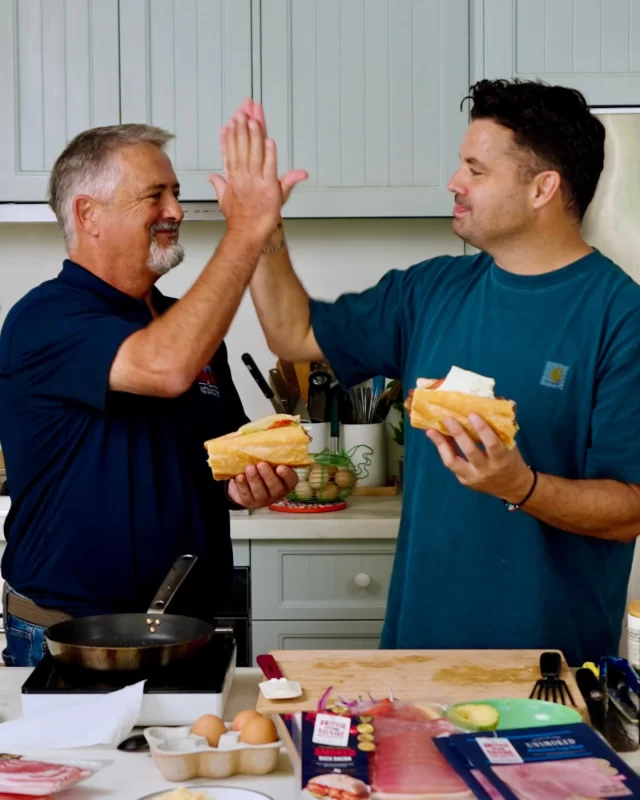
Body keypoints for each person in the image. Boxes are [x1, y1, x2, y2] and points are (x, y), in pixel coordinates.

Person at [240, 82, 640, 666]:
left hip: (551, 671)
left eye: (475, 169)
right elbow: (292, 333)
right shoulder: (430, 291)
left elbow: (630, 507)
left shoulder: (620, 316)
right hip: (417, 657)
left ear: (542, 188)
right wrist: (262, 231)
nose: (454, 182)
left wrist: (519, 486)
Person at [0, 118, 307, 666]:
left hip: (185, 634)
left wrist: (247, 487)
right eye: (155, 195)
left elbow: (220, 464)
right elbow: (164, 368)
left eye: (177, 194)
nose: (177, 211)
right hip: (72, 639)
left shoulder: (186, 326)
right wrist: (246, 231)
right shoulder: (45, 319)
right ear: (87, 214)